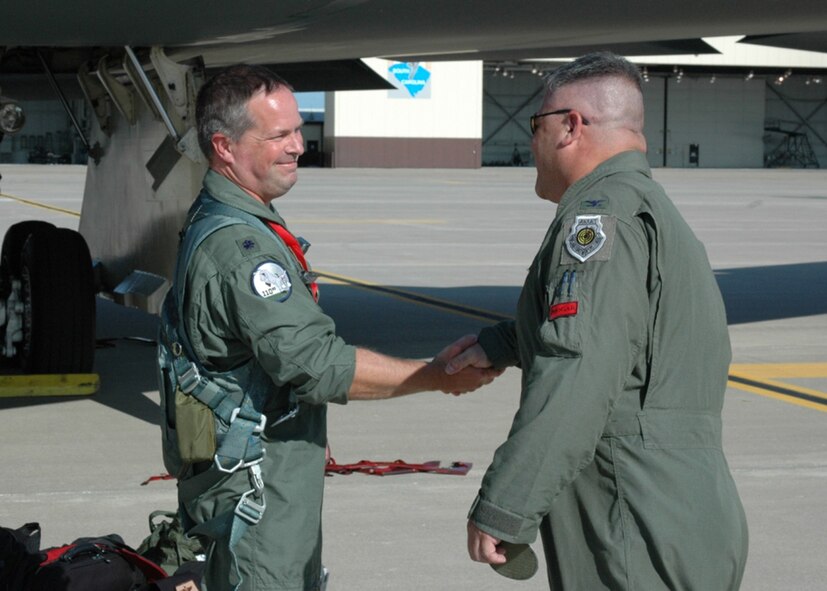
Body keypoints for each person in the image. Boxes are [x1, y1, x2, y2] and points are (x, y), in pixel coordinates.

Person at [159, 64, 498, 591]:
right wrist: (434, 375)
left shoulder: (234, 219)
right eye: (278, 135)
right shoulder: (239, 249)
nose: (298, 145)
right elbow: (315, 365)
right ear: (224, 147)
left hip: (256, 484)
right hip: (258, 497)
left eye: (297, 130)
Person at [446, 52, 749, 589]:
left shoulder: (598, 221)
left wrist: (505, 506)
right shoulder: (651, 211)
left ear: (569, 126)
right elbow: (622, 330)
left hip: (632, 524)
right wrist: (503, 343)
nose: (533, 142)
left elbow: (578, 377)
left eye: (537, 125)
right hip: (684, 515)